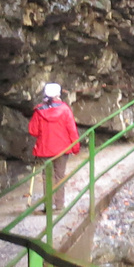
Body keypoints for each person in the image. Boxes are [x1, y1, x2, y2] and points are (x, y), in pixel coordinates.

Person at [28, 82, 80, 210]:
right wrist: (75, 147)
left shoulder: (39, 111)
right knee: (59, 176)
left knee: (47, 177)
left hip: (45, 149)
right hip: (63, 149)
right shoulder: (65, 109)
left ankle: (48, 205)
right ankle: (59, 204)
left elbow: (33, 131)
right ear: (58, 94)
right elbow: (72, 130)